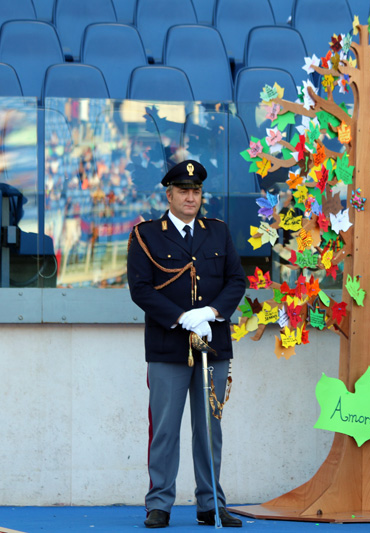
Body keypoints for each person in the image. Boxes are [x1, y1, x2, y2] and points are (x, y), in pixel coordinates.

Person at [127, 160, 246, 528]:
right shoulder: (147, 235)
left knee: (210, 428)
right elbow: (141, 289)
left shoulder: (218, 232)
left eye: (195, 191)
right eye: (183, 191)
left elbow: (236, 281)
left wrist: (211, 312)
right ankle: (159, 503)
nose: (190, 197)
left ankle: (210, 504)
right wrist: (182, 318)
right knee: (164, 428)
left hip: (212, 345)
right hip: (168, 345)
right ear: (170, 194)